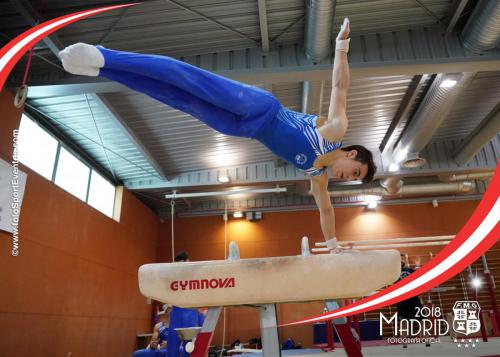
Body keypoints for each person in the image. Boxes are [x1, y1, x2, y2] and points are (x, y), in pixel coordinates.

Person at [59, 18, 376, 249]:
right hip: (258, 107)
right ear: (351, 153)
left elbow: (326, 211)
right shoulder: (333, 130)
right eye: (355, 171)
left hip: (241, 128)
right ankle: (105, 56)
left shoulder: (316, 175)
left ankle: (102, 70)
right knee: (185, 78)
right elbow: (340, 86)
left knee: (176, 97)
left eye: (354, 178)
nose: (349, 177)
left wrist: (333, 247)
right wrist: (341, 45)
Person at [165, 251, 206, 357]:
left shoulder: (195, 275)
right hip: (178, 312)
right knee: (172, 347)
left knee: (189, 348)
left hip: (189, 312)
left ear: (186, 261)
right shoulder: (172, 276)